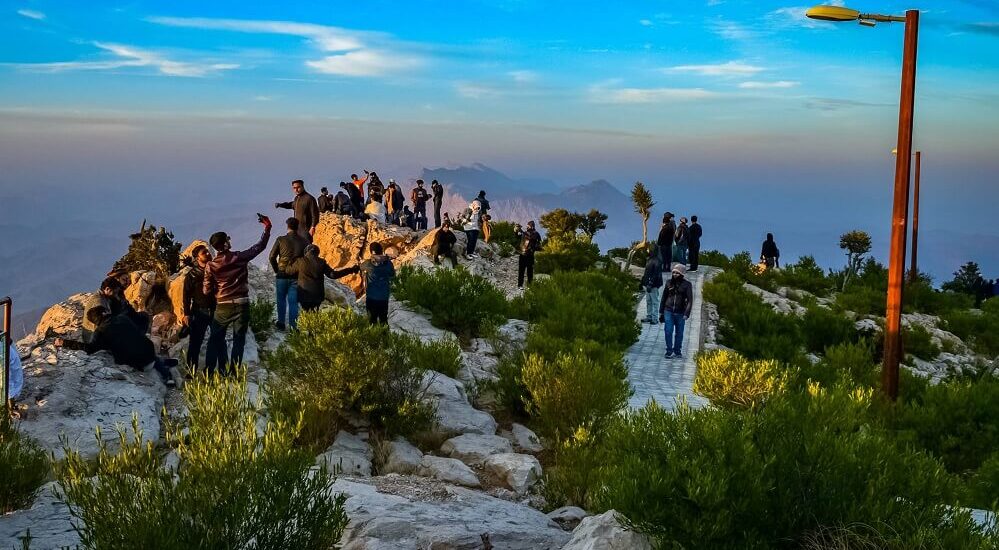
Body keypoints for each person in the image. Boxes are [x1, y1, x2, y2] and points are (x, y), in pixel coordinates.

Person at [204, 215, 272, 375]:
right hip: (242, 304)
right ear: (225, 243)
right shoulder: (238, 257)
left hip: (223, 306)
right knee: (238, 340)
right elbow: (259, 247)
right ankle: (233, 372)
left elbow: (206, 290)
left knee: (215, 339)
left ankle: (210, 373)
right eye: (228, 238)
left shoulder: (211, 266)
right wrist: (267, 228)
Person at [55, 306, 179, 387]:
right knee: (144, 351)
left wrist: (65, 343)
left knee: (123, 352)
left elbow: (89, 349)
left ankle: (165, 368)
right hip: (149, 350)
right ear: (104, 312)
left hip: (138, 363)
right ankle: (166, 369)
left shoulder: (101, 332)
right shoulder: (122, 318)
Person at [284, 245, 358, 312]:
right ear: (317, 253)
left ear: (306, 252)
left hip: (304, 295)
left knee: (306, 313)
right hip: (317, 296)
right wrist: (351, 270)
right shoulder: (322, 262)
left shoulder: (300, 261)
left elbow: (288, 271)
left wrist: (290, 260)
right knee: (314, 313)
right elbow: (333, 275)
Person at [179, 243, 216, 371]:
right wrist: (187, 314)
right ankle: (191, 371)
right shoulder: (192, 275)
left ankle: (210, 370)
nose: (207, 253)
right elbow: (186, 296)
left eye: (207, 251)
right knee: (195, 343)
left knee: (217, 341)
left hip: (216, 311)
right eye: (203, 253)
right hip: (199, 311)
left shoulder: (216, 271)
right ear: (197, 258)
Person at [269, 217, 306, 331]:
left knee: (281, 299)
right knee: (293, 302)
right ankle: (293, 327)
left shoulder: (280, 239)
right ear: (297, 227)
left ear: (287, 226)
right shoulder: (304, 241)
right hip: (296, 275)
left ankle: (281, 323)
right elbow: (306, 259)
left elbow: (271, 257)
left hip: (282, 274)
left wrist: (277, 270)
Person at [659, 263, 694, 359]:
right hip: (668, 311)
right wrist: (661, 312)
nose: (674, 274)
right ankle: (669, 351)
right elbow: (664, 297)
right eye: (673, 272)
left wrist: (687, 313)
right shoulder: (668, 283)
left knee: (679, 333)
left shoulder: (687, 285)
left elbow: (690, 300)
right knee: (668, 331)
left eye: (677, 273)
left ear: (682, 274)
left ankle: (677, 350)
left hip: (680, 313)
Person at [358, 242, 395, 325]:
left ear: (372, 252)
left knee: (372, 320)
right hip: (384, 297)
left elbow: (360, 267)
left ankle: (374, 337)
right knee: (383, 320)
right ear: (381, 251)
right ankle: (386, 336)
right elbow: (392, 274)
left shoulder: (368, 263)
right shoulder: (388, 263)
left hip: (371, 297)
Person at [515, 221, 542, 289]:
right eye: (527, 226)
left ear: (532, 226)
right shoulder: (524, 233)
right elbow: (518, 237)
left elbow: (533, 239)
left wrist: (522, 232)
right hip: (523, 253)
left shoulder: (535, 234)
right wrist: (516, 231)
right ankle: (520, 285)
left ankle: (529, 285)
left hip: (530, 254)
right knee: (522, 271)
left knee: (529, 271)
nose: (527, 227)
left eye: (528, 226)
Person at [640, 250, 664, 324]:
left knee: (655, 301)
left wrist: (651, 283)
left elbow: (656, 274)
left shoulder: (657, 261)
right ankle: (649, 316)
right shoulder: (650, 259)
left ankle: (655, 318)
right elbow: (646, 272)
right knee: (649, 301)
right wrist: (642, 282)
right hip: (648, 284)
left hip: (654, 285)